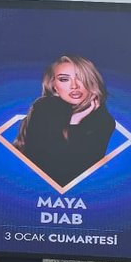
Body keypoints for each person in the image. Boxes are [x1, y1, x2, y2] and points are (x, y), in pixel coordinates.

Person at [14, 54, 115, 186]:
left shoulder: (104, 122)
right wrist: (74, 121)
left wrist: (75, 123)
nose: (74, 86)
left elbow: (76, 174)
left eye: (81, 78)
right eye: (64, 79)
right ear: (54, 86)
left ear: (91, 81)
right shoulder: (43, 108)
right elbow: (42, 165)